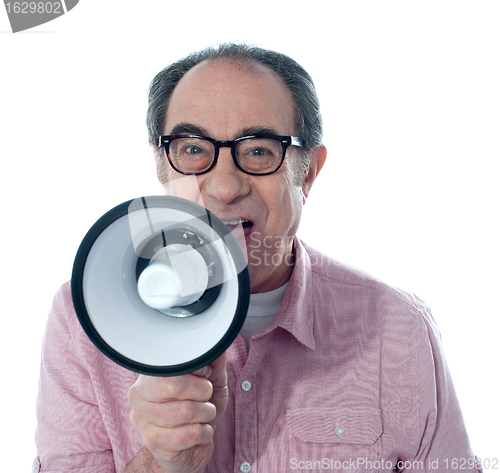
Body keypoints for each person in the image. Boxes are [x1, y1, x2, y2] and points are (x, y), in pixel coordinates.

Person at [34, 43, 481, 473]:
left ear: (308, 172)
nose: (225, 187)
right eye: (193, 150)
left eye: (258, 151)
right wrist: (162, 464)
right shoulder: (84, 320)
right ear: (162, 167)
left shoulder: (398, 328)